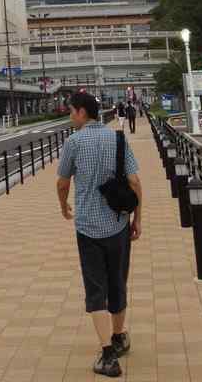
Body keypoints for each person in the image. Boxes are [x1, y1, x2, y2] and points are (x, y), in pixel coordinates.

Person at [57, 91, 142, 378]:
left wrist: (63, 206)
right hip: (118, 223)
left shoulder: (74, 142)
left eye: (71, 111)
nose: (70, 116)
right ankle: (118, 337)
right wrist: (137, 219)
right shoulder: (117, 139)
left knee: (96, 288)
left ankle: (107, 355)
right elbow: (134, 182)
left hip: (88, 228)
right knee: (118, 281)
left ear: (81, 112)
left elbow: (62, 182)